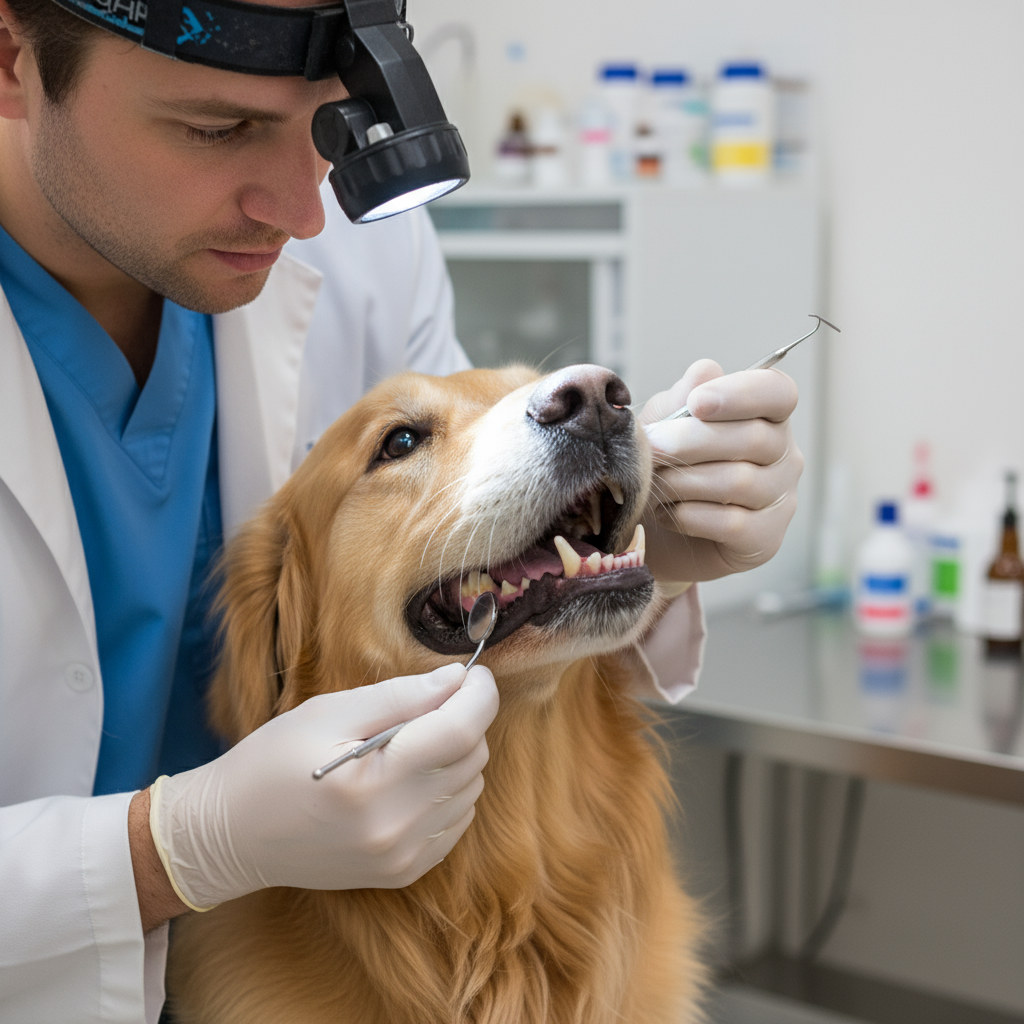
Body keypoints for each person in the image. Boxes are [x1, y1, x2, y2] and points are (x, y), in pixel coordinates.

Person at [0, 0, 803, 1019]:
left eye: (332, 125)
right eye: (216, 127)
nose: (302, 211)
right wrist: (178, 848)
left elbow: (460, 544)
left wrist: (626, 523)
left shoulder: (357, 234)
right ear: (12, 57)